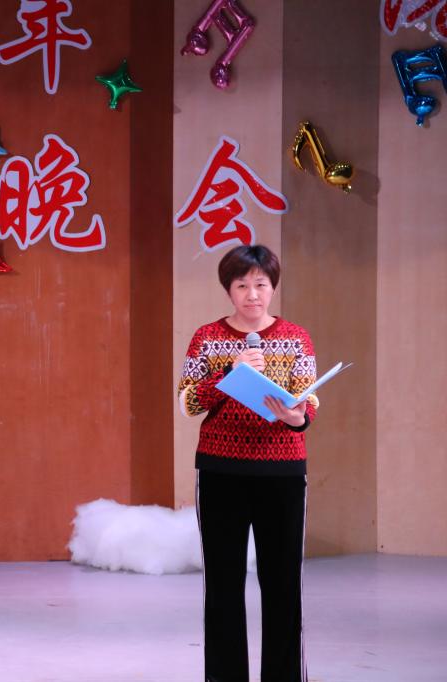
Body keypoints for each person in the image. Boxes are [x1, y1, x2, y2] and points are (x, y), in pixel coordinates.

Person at [178, 244, 318, 682]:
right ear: (229, 290)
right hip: (221, 472)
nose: (252, 294)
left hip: (282, 472)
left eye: (260, 284)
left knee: (283, 584)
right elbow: (188, 402)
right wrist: (230, 374)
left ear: (273, 288)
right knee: (223, 584)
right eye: (242, 285)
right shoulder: (207, 337)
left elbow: (308, 402)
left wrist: (296, 417)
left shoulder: (296, 337)